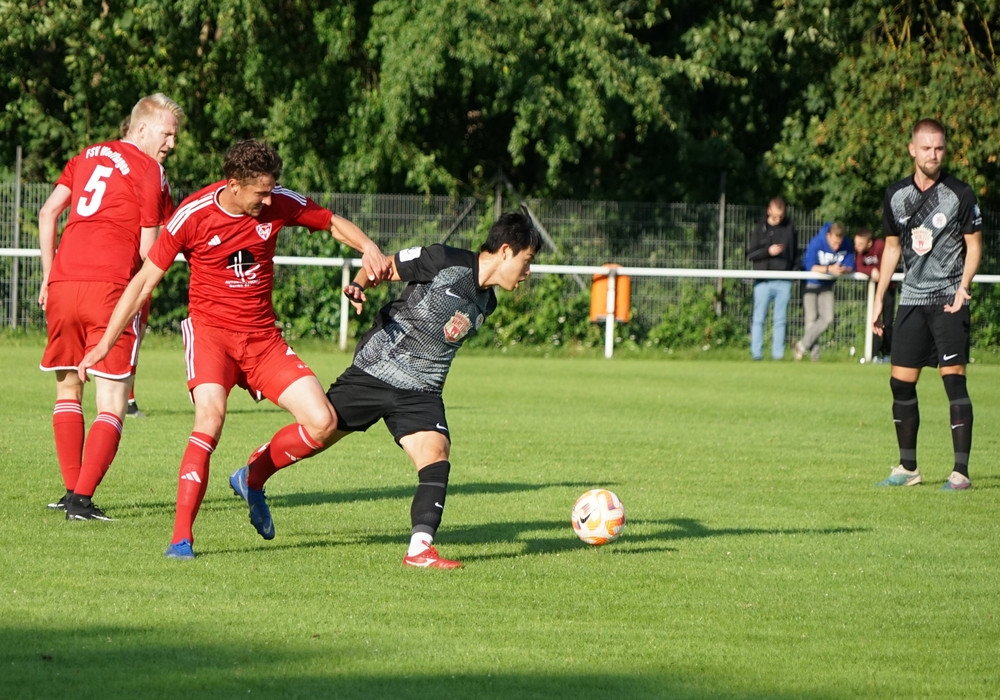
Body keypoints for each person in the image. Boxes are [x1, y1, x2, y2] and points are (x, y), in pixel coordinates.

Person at [77, 139, 392, 557]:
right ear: (234, 185)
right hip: (211, 338)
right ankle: (181, 538)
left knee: (322, 422)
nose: (269, 199)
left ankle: (252, 477)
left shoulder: (277, 200)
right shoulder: (192, 214)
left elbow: (331, 222)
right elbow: (143, 283)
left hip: (262, 340)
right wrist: (104, 344)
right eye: (261, 192)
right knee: (210, 418)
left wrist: (368, 246)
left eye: (271, 190)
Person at [227, 209, 542, 569]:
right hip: (377, 370)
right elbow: (384, 266)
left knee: (436, 454)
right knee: (320, 431)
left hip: (422, 391)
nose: (528, 272)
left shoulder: (488, 302)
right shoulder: (444, 260)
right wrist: (359, 284)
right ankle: (251, 476)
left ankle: (419, 549)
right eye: (527, 261)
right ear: (506, 251)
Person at [38, 93, 183, 521]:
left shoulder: (85, 156)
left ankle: (71, 491)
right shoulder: (150, 170)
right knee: (113, 400)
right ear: (142, 128)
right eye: (167, 134)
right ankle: (81, 501)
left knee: (68, 389)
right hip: (110, 289)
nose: (172, 144)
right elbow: (148, 250)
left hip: (63, 282)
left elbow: (48, 213)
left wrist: (47, 274)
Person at [872, 118, 982, 491]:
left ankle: (960, 473)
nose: (933, 155)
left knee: (954, 382)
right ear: (912, 150)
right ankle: (908, 469)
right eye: (926, 148)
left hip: (949, 299)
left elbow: (975, 246)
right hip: (912, 300)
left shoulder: (960, 193)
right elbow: (891, 249)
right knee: (900, 384)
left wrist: (963, 287)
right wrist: (879, 299)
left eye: (939, 148)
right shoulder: (896, 195)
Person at [746, 197, 798, 360]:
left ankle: (778, 356)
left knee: (780, 320)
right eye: (775, 216)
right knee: (759, 319)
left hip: (784, 280)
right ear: (769, 211)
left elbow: (795, 253)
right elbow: (750, 254)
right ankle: (757, 354)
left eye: (781, 216)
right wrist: (768, 251)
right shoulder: (760, 228)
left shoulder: (789, 227)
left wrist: (795, 270)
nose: (778, 219)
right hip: (763, 281)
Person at [794, 222, 854, 361]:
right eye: (834, 243)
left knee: (827, 318)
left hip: (827, 285)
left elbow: (851, 265)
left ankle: (801, 346)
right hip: (811, 283)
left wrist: (843, 270)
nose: (836, 247)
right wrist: (829, 269)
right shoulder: (816, 242)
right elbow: (810, 266)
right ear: (828, 236)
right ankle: (814, 357)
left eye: (839, 243)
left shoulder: (846, 244)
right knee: (811, 320)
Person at [853, 227, 896, 361]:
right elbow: (858, 266)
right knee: (873, 321)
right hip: (873, 290)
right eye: (856, 244)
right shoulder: (860, 252)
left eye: (860, 244)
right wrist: (871, 271)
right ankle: (874, 354)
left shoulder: (880, 246)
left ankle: (887, 353)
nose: (857, 247)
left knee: (887, 322)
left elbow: (889, 263)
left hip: (888, 289)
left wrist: (880, 274)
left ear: (869, 243)